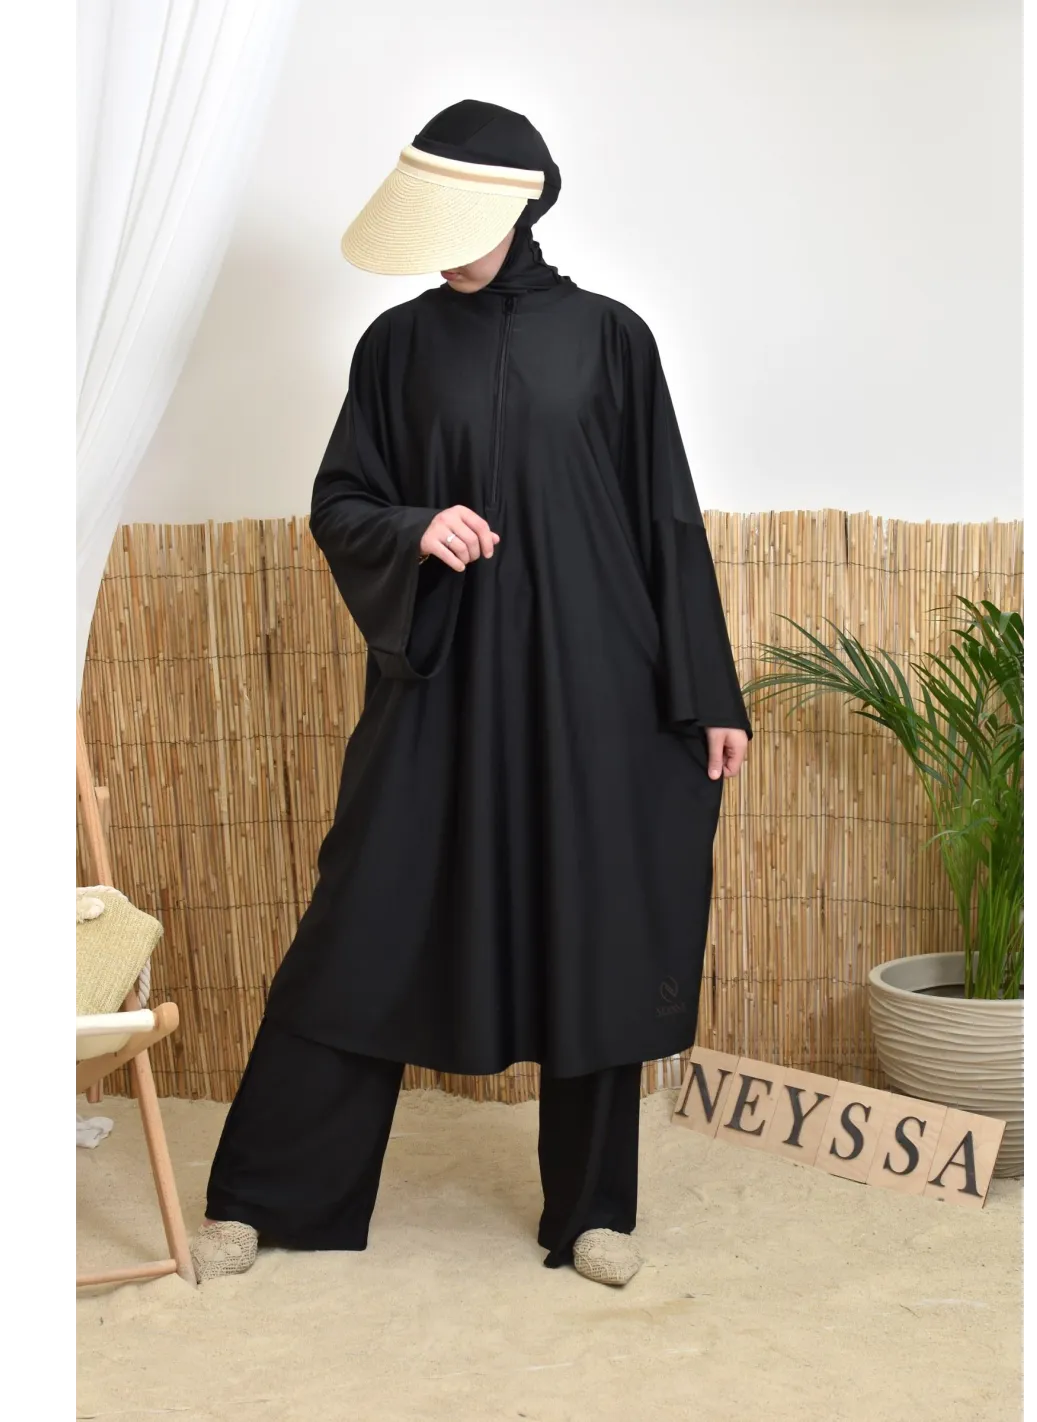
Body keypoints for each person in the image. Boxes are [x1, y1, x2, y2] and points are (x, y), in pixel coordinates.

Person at [191, 100, 751, 1288]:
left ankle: (590, 1214)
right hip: (441, 684)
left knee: (594, 925)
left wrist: (708, 694)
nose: (441, 250)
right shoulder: (394, 347)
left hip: (594, 688)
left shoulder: (610, 339)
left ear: (520, 206)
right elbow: (340, 502)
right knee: (362, 920)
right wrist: (414, 527)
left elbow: (665, 520)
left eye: (460, 223)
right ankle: (266, 1197)